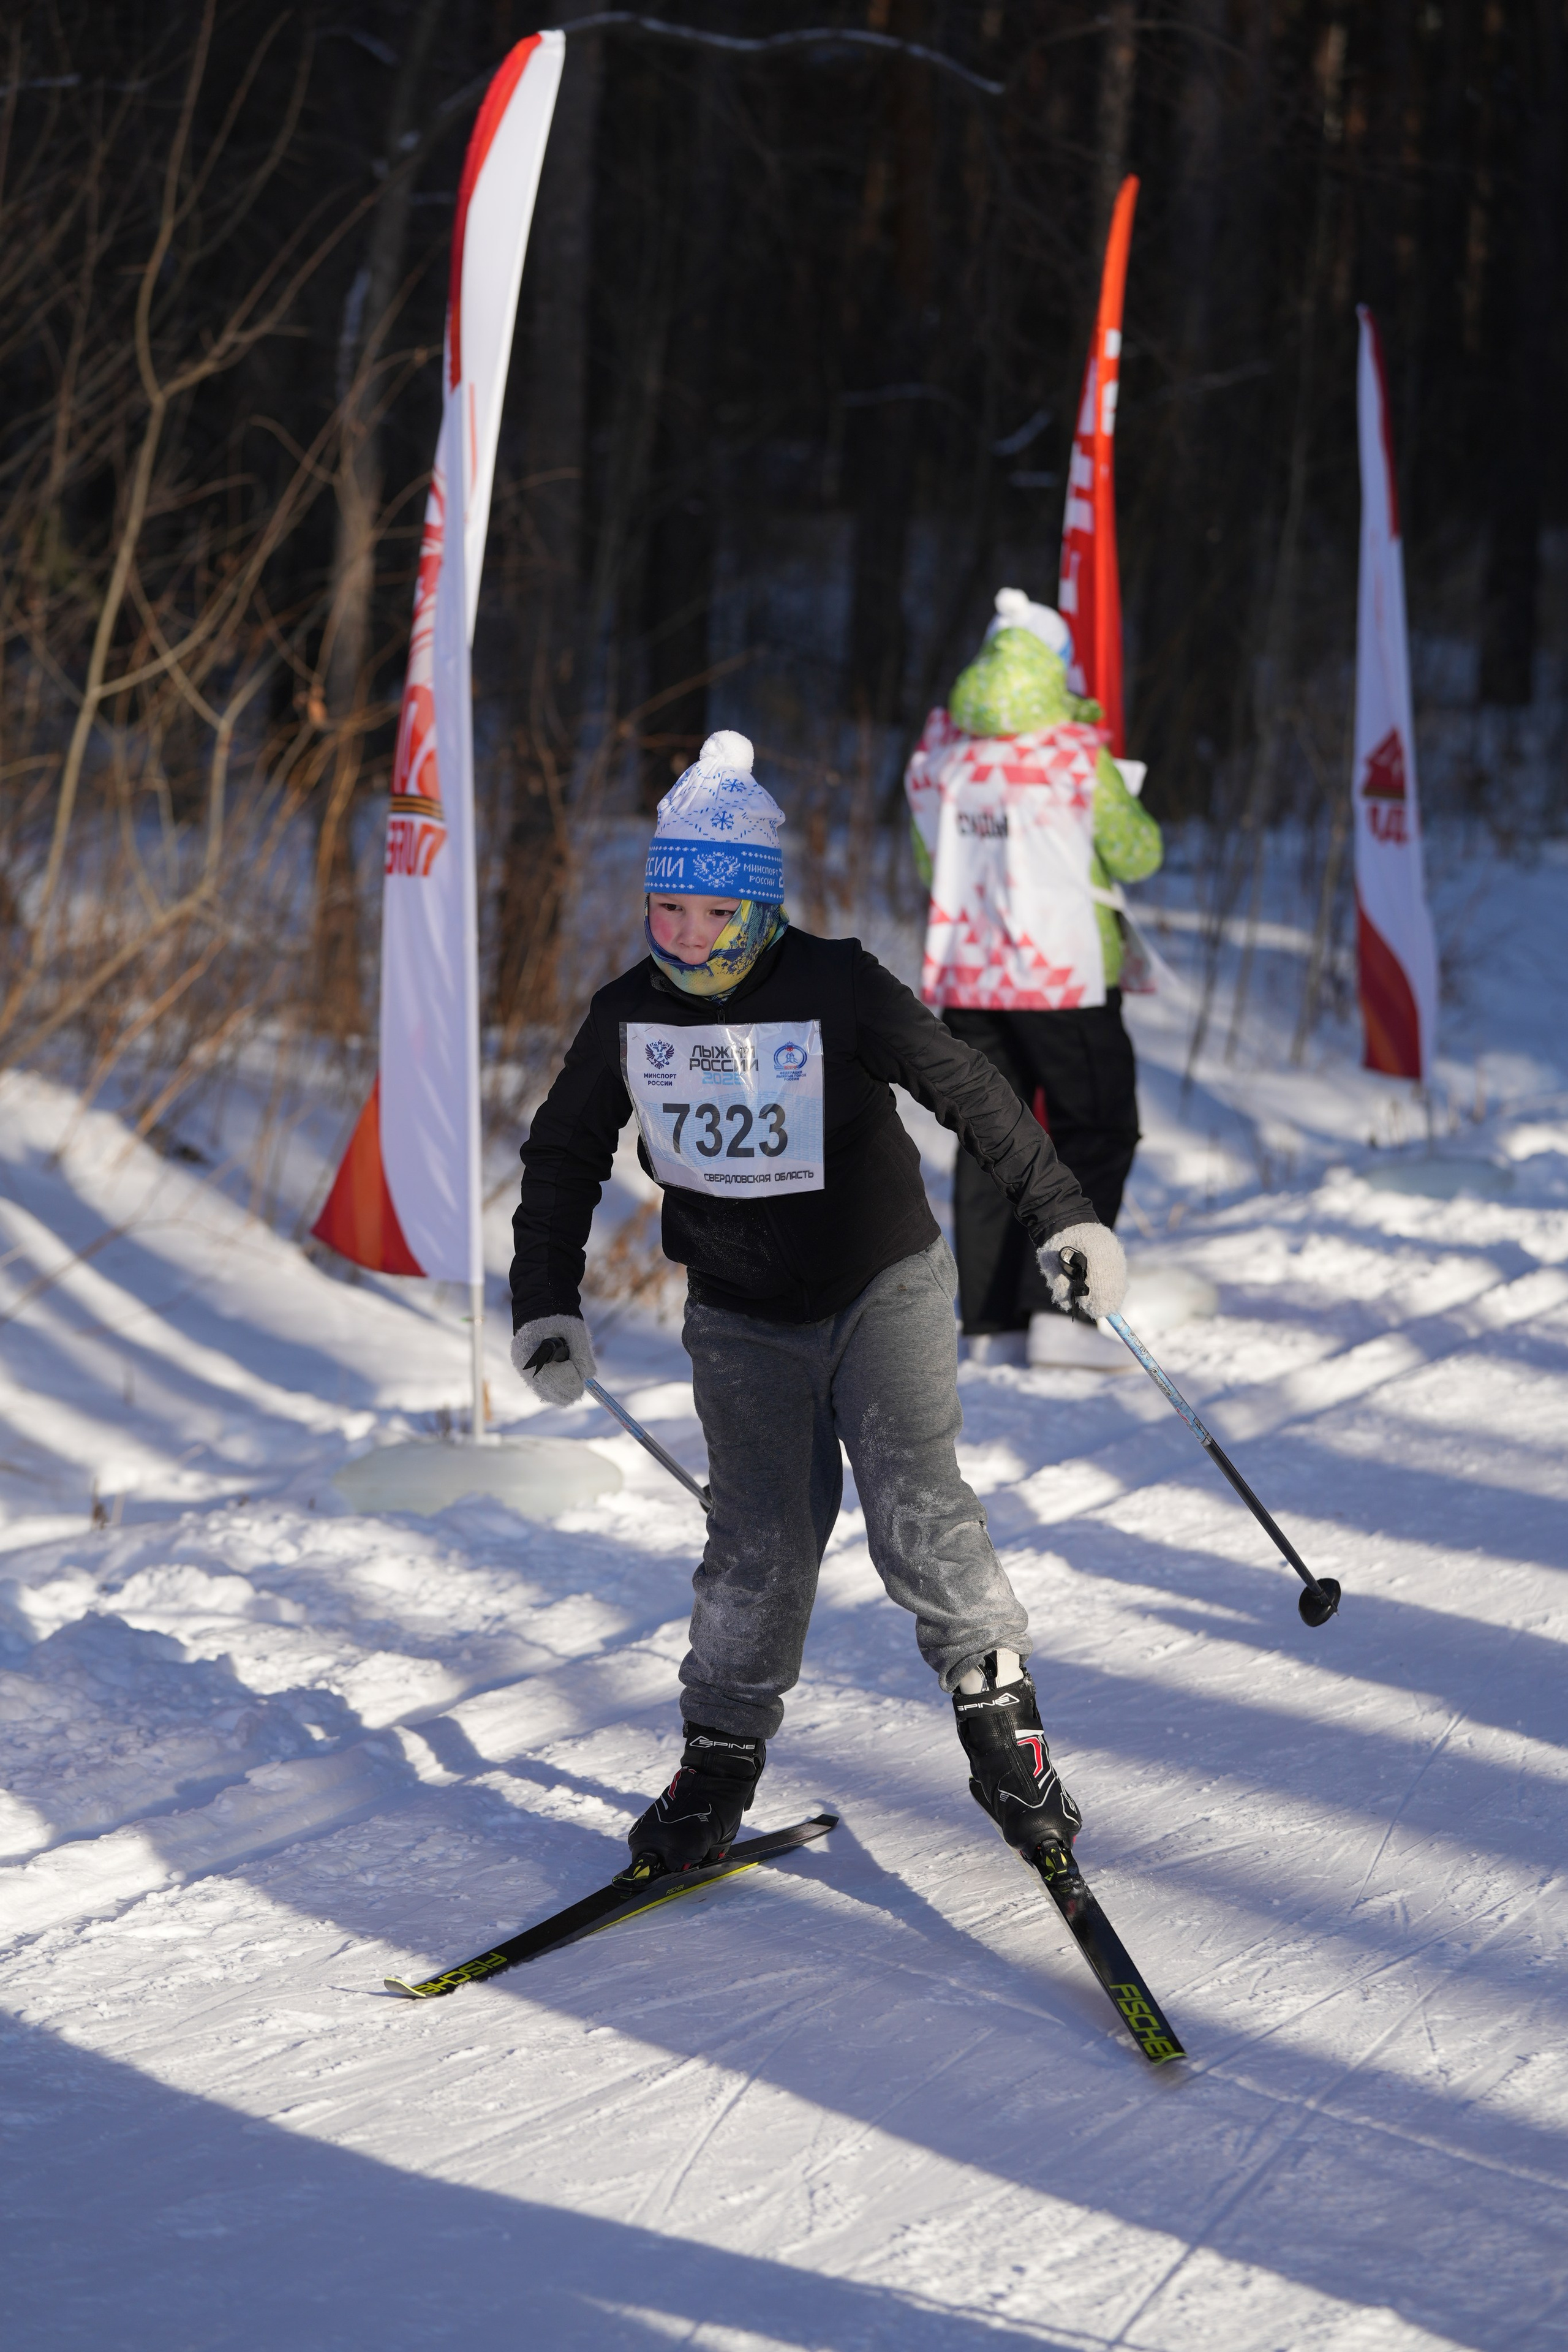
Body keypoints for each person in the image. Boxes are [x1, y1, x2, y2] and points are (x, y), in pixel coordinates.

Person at [508, 728, 1126, 1874]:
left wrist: (1063, 1215)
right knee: (757, 1544)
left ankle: (1004, 1730)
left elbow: (971, 1091)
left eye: (715, 914)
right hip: (740, 1314)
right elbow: (560, 1158)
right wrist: (546, 1300)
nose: (689, 939)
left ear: (760, 906)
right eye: (668, 910)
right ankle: (716, 1768)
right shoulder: (628, 1017)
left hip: (879, 1285)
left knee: (911, 1500)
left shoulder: (837, 983)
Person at [905, 589, 1163, 1370]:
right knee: (1098, 1130)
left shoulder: (940, 754)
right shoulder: (1075, 751)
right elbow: (1138, 854)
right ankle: (1068, 1315)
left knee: (994, 1141)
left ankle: (989, 1322)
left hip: (968, 977)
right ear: (1055, 667)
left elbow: (928, 862)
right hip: (1065, 981)